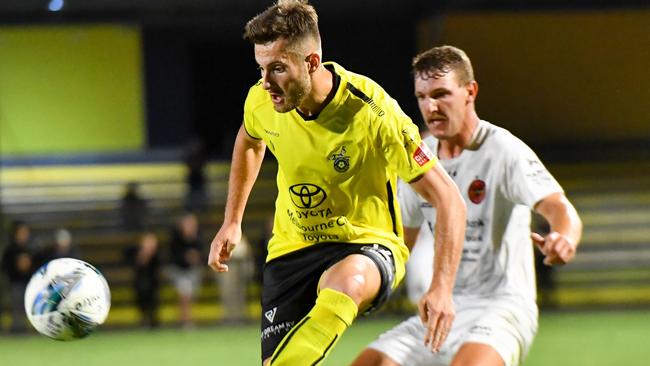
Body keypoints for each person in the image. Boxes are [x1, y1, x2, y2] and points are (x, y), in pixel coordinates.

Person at [207, 2, 467, 365]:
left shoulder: (373, 113)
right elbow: (251, 140)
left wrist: (441, 288)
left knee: (349, 283)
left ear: (311, 62)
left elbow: (449, 199)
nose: (266, 82)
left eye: (278, 68)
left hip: (364, 245)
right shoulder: (262, 100)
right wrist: (232, 221)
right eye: (261, 68)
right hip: (291, 250)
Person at [351, 45, 583, 366]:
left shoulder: (502, 150)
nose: (430, 107)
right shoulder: (421, 159)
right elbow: (401, 239)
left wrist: (564, 237)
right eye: (421, 97)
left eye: (441, 94)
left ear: (470, 91)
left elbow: (558, 207)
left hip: (502, 306)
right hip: (441, 307)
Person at [167, 212, 203, 328]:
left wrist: (195, 256)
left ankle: (186, 318)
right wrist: (185, 257)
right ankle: (185, 320)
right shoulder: (175, 237)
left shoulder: (197, 238)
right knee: (185, 290)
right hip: (178, 271)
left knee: (190, 292)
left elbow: (203, 256)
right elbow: (172, 258)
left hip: (192, 272)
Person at [1, 220, 34, 333]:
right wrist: (17, 266)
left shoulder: (31, 248)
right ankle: (17, 330)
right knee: (16, 307)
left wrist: (28, 266)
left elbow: (37, 265)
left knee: (30, 307)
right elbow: (5, 267)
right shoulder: (11, 249)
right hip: (16, 283)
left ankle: (31, 330)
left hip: (29, 283)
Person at [125, 232, 162, 328]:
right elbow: (135, 266)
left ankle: (153, 321)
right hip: (140, 282)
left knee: (153, 300)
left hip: (152, 282)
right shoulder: (136, 252)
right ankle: (143, 319)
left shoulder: (156, 255)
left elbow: (157, 269)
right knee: (141, 299)